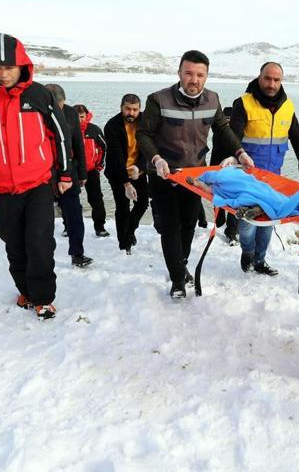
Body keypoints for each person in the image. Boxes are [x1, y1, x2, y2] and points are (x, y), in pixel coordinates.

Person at [0, 34, 72, 320]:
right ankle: (26, 291)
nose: (4, 73)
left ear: (22, 65)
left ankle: (44, 297)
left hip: (38, 183)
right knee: (14, 243)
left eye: (10, 67)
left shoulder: (38, 95)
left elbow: (59, 135)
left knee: (40, 241)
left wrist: (66, 173)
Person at [137, 50, 252, 299]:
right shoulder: (158, 99)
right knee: (170, 227)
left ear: (206, 76)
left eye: (200, 75)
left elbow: (222, 128)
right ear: (179, 73)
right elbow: (143, 134)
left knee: (189, 224)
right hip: (163, 173)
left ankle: (181, 263)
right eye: (189, 73)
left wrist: (240, 152)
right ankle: (178, 280)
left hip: (193, 174)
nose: (194, 80)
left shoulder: (212, 99)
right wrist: (156, 159)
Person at [229, 62, 299, 276]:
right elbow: (233, 135)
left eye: (276, 80)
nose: (271, 84)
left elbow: (297, 134)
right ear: (259, 77)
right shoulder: (244, 103)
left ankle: (260, 260)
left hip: (273, 177)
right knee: (247, 225)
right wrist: (232, 155)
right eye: (267, 78)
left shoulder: (288, 106)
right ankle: (247, 250)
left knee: (267, 222)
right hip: (247, 177)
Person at [45, 85, 92, 268]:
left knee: (74, 213)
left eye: (61, 104)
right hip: (44, 172)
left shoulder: (71, 113)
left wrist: (82, 173)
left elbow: (78, 143)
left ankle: (77, 253)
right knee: (43, 216)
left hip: (69, 170)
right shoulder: (35, 112)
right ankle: (43, 254)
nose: (58, 108)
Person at [104, 94, 149, 254]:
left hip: (138, 170)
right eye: (127, 109)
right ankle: (124, 244)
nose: (131, 113)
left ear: (139, 109)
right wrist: (126, 183)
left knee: (143, 202)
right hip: (118, 172)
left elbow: (148, 148)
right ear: (121, 108)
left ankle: (129, 231)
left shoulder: (145, 121)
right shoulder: (112, 126)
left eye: (135, 109)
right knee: (122, 207)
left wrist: (139, 167)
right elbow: (116, 158)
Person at [74, 104, 109, 238]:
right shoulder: (68, 128)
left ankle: (100, 227)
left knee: (96, 200)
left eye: (82, 117)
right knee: (70, 200)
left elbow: (104, 147)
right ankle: (68, 226)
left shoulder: (94, 130)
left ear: (86, 116)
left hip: (91, 169)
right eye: (76, 117)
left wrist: (99, 166)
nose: (79, 120)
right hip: (74, 171)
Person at [209, 106, 239, 245]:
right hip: (219, 170)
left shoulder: (237, 136)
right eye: (225, 120)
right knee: (218, 199)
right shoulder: (218, 133)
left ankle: (231, 232)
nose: (228, 123)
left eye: (230, 120)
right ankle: (220, 222)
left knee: (235, 203)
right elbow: (215, 155)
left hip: (234, 173)